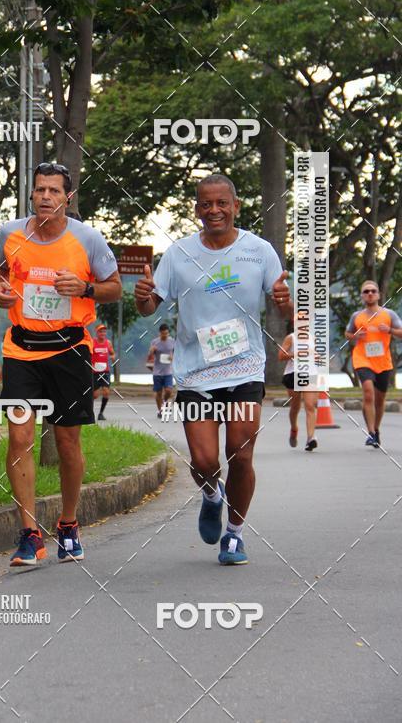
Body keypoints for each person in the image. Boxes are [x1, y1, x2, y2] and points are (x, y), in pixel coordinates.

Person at [135, 173, 292, 566]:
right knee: (205, 462)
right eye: (206, 204)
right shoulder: (179, 254)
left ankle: (235, 535)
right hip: (195, 374)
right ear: (196, 210)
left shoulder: (259, 251)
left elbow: (286, 309)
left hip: (245, 370)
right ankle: (211, 494)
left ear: (236, 206)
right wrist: (142, 298)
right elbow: (150, 304)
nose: (214, 210)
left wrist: (285, 302)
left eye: (222, 203)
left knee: (240, 454)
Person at [0, 162, 122, 567]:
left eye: (54, 191)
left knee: (67, 442)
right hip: (21, 350)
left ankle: (68, 524)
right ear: (31, 194)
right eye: (39, 190)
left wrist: (84, 288)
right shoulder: (11, 233)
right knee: (19, 438)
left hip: (69, 350)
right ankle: (30, 534)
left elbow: (115, 288)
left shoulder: (88, 239)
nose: (45, 196)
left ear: (68, 197)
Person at [345, 281, 402, 447]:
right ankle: (370, 432)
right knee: (368, 392)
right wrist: (355, 335)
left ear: (378, 294)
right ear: (362, 296)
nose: (370, 294)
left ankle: (376, 430)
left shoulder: (389, 315)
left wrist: (390, 330)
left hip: (383, 362)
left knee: (379, 400)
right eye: (366, 291)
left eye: (373, 291)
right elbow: (347, 333)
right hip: (362, 358)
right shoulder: (357, 316)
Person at [278, 317, 319, 451]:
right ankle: (294, 428)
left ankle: (310, 438)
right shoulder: (291, 338)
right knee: (295, 407)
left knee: (309, 405)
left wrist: (317, 356)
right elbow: (280, 356)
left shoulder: (312, 337)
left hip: (310, 373)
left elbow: (315, 354)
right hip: (293, 373)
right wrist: (296, 353)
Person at [147, 323, 175, 419]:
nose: (165, 335)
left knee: (169, 391)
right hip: (157, 371)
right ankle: (160, 410)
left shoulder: (172, 341)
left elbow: (176, 353)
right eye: (163, 334)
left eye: (166, 333)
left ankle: (164, 401)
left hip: (168, 371)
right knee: (158, 393)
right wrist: (152, 350)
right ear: (160, 333)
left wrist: (173, 357)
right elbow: (150, 356)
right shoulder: (155, 342)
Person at [92, 324, 115, 420]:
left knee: (106, 392)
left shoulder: (108, 343)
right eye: (100, 331)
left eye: (104, 331)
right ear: (97, 333)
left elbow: (112, 353)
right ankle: (89, 411)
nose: (103, 333)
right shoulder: (92, 342)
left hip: (105, 372)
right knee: (95, 395)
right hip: (95, 372)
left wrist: (113, 357)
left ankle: (101, 413)